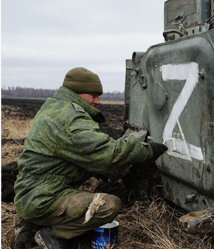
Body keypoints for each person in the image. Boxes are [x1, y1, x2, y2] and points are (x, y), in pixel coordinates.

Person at [14, 67, 168, 249]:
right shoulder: (69, 118)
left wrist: (96, 169)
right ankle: (50, 234)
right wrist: (148, 150)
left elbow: (82, 153)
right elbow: (109, 154)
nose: (97, 102)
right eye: (93, 95)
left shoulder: (55, 107)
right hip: (41, 198)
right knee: (107, 205)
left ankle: (37, 222)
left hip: (35, 193)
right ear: (77, 93)